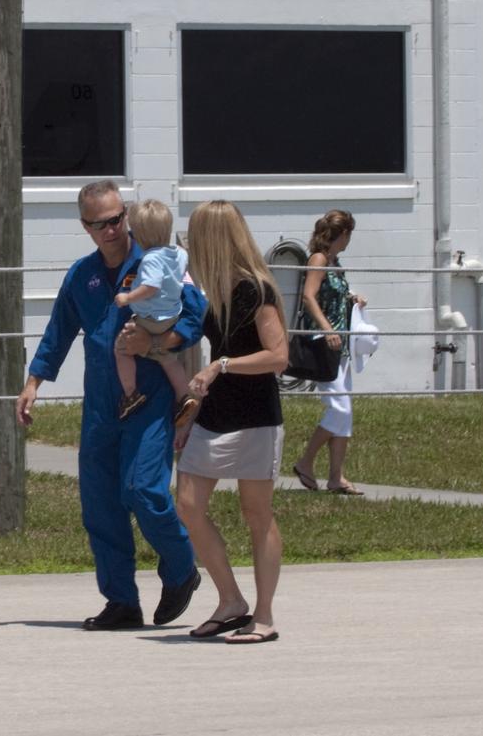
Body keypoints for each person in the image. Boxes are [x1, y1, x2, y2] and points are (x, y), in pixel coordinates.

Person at [17, 181, 207, 631]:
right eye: (100, 223)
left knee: (144, 490)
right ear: (85, 226)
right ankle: (121, 601)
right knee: (100, 504)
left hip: (149, 400)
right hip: (102, 405)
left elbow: (197, 316)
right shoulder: (82, 275)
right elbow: (58, 331)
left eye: (117, 218)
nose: (112, 229)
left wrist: (159, 340)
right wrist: (32, 382)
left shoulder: (157, 259)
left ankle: (181, 569)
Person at [176, 200, 289, 644]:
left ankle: (263, 616)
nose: (191, 243)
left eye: (196, 235)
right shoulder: (215, 292)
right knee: (187, 502)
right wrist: (190, 416)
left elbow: (278, 357)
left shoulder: (255, 289)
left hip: (255, 415)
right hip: (215, 413)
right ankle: (230, 602)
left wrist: (221, 365)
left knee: (256, 513)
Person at [292, 209, 367, 496]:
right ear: (343, 233)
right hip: (324, 343)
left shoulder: (336, 262)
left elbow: (331, 295)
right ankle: (305, 461)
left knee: (344, 415)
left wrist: (352, 298)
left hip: (341, 346)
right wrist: (327, 329)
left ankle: (336, 477)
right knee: (339, 408)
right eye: (349, 234)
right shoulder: (319, 259)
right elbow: (309, 296)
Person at [113, 199, 199, 427]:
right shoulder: (179, 253)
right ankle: (184, 396)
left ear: (140, 236)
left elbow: (150, 287)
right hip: (171, 316)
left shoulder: (150, 259)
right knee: (167, 358)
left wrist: (127, 298)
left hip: (149, 318)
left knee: (121, 348)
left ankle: (130, 394)